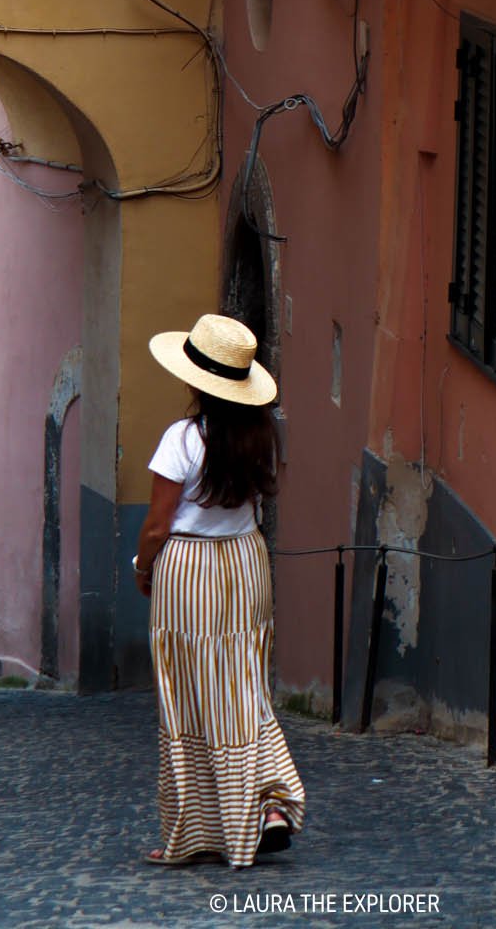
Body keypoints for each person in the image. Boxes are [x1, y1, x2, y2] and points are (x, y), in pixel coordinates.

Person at [134, 313, 305, 869]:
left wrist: (142, 567)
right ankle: (267, 805)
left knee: (188, 698)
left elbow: (158, 525)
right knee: (242, 687)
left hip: (190, 571)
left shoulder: (181, 439)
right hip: (245, 563)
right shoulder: (261, 437)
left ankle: (194, 831)